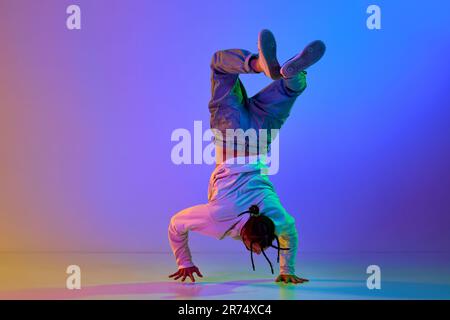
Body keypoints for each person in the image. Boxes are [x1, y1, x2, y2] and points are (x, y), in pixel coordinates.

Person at [168, 29, 326, 284]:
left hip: (260, 139)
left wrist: (288, 269)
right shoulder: (219, 218)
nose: (260, 249)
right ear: (245, 238)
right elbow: (176, 224)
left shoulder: (275, 216)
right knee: (220, 68)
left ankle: (291, 76)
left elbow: (290, 233)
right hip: (229, 138)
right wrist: (185, 262)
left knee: (287, 92)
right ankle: (261, 65)